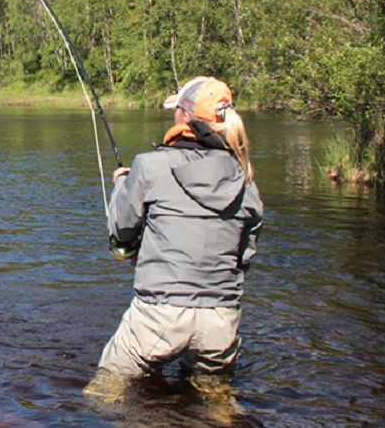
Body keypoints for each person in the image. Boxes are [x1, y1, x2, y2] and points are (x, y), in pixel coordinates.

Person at [83, 77, 264, 416]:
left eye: (175, 110)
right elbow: (243, 260)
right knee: (217, 405)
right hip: (221, 324)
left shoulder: (150, 166)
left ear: (185, 117)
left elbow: (122, 230)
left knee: (103, 395)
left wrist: (122, 184)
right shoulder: (247, 184)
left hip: (158, 316)